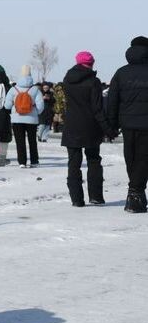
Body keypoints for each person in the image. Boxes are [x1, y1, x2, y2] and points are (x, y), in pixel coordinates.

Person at [61, 51, 113, 207]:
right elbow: (97, 109)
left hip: (71, 125)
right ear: (91, 64)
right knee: (94, 160)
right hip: (90, 126)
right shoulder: (94, 82)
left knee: (73, 163)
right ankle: (96, 196)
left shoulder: (67, 80)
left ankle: (76, 199)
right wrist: (108, 129)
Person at [107, 35, 148, 213]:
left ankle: (136, 193)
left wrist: (111, 124)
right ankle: (135, 193)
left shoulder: (121, 73)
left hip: (127, 123)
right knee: (143, 158)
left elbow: (112, 100)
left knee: (131, 157)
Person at [4, 65, 44, 168]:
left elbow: (7, 105)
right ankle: (34, 161)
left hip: (17, 119)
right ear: (30, 74)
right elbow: (40, 106)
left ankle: (22, 162)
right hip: (32, 119)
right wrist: (35, 113)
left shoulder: (13, 89)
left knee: (20, 141)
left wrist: (14, 109)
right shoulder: (35, 90)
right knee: (32, 141)